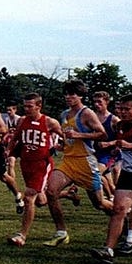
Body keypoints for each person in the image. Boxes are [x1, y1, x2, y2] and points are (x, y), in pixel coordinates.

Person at [42, 80, 113, 247]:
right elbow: (68, 137)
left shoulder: (87, 113)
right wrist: (62, 144)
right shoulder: (64, 114)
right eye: (66, 94)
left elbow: (102, 134)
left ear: (80, 95)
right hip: (68, 160)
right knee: (51, 191)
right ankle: (61, 232)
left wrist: (79, 135)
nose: (68, 97)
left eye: (72, 94)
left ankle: (121, 218)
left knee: (99, 203)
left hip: (86, 162)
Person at [92, 94, 132, 262]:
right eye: (121, 109)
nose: (123, 112)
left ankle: (129, 243)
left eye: (127, 109)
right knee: (118, 209)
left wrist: (130, 146)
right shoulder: (120, 125)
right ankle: (108, 250)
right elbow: (121, 143)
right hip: (128, 174)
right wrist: (116, 149)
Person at [4, 93, 62, 246]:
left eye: (30, 106)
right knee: (41, 200)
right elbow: (15, 137)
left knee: (28, 197)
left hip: (41, 165)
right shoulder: (22, 120)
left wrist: (61, 147)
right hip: (26, 163)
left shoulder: (50, 122)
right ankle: (68, 194)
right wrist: (9, 152)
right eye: (25, 106)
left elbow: (65, 138)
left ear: (39, 106)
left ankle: (21, 235)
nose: (27, 109)